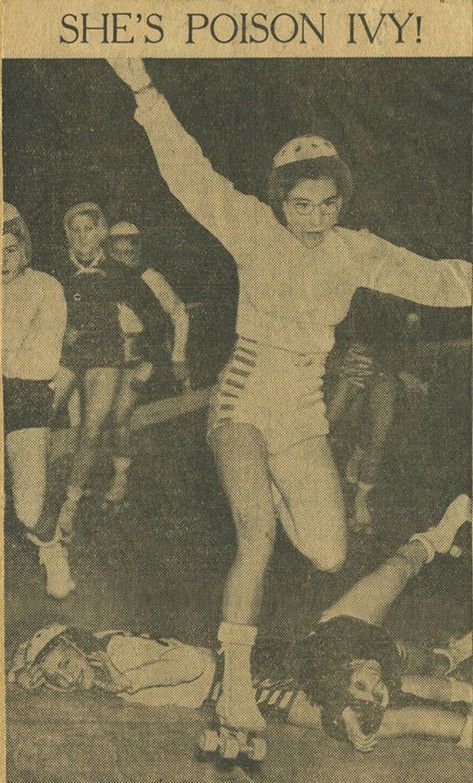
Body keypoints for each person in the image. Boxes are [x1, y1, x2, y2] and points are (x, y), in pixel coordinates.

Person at [107, 58, 472, 737]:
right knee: (258, 535)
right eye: (299, 203)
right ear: (280, 200)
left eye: (326, 203)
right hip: (242, 401)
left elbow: (440, 279)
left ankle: (271, 488)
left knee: (330, 554)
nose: (312, 216)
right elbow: (188, 173)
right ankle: (236, 689)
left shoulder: (355, 251)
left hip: (302, 416)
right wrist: (144, 91)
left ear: (341, 201)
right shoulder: (251, 229)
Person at [9, 496, 472, 752]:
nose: (65, 677)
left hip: (255, 676)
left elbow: (193, 666)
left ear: (76, 644)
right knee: (375, 711)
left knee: (372, 681)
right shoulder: (105, 663)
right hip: (269, 679)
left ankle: (432, 545)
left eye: (62, 662)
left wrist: (124, 681)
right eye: (55, 680)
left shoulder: (117, 655)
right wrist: (23, 673)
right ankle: (455, 685)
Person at [50, 203, 157, 537]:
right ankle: (32, 485)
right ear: (68, 234)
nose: (83, 237)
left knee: (93, 428)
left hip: (106, 357)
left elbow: (152, 317)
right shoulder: (55, 270)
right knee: (40, 416)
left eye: (89, 229)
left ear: (100, 232)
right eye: (76, 230)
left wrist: (148, 356)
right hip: (65, 355)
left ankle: (70, 503)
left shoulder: (120, 272)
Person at [2, 203, 75, 599]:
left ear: (24, 249)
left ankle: (52, 549)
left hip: (25, 395)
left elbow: (40, 361)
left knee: (28, 510)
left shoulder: (45, 287)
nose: (2, 261)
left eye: (9, 250)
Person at [103, 222, 190, 507]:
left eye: (130, 251)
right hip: (104, 359)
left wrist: (177, 357)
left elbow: (179, 314)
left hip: (143, 358)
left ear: (138, 248)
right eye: (118, 252)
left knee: (122, 416)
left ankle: (122, 477)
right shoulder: (101, 276)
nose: (124, 257)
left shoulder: (150, 277)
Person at [326, 293, 424, 534]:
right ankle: (294, 487)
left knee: (380, 435)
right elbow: (333, 320)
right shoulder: (359, 282)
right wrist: (337, 357)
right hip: (357, 358)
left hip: (386, 369)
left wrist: (407, 371)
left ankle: (360, 499)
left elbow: (408, 341)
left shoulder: (408, 298)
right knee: (324, 425)